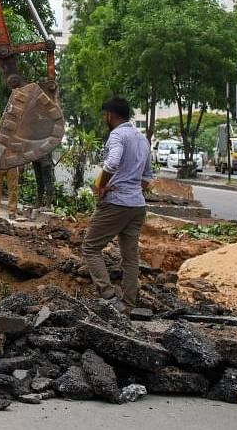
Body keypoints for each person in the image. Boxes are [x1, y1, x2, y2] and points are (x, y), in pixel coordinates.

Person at [83, 96, 152, 313]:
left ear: (111, 115)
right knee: (130, 258)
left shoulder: (117, 135)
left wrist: (102, 187)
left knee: (90, 247)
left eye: (105, 114)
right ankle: (128, 305)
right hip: (137, 206)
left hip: (116, 203)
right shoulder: (142, 139)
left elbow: (112, 163)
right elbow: (147, 177)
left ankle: (109, 295)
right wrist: (131, 190)